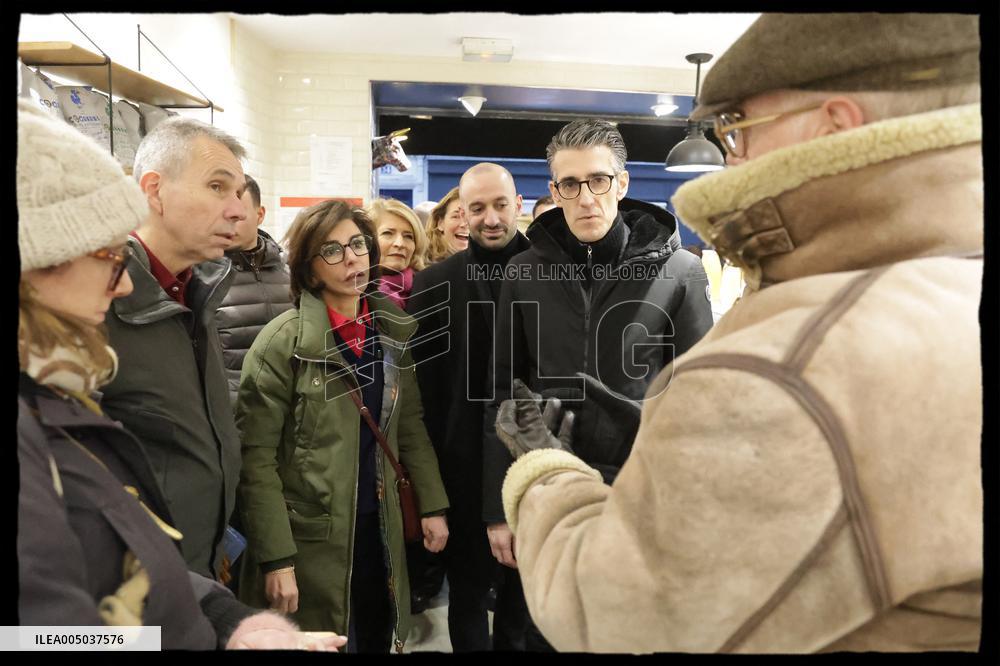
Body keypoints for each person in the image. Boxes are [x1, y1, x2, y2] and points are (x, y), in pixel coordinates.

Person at [495, 12, 982, 652]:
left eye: (738, 127)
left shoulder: (767, 357)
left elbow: (619, 613)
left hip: (618, 504)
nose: (733, 155)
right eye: (569, 184)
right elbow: (501, 381)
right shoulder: (945, 284)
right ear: (554, 190)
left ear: (837, 126)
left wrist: (542, 470)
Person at [16, 99, 345, 652]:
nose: (121, 283)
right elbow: (46, 634)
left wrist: (227, 622)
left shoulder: (195, 293)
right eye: (106, 255)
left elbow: (118, 539)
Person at [481, 118, 714, 650]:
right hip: (546, 479)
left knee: (633, 630)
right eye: (570, 184)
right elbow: (499, 392)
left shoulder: (680, 272)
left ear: (623, 183)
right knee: (550, 627)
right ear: (554, 191)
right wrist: (499, 507)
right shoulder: (524, 273)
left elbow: (699, 398)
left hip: (642, 487)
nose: (586, 197)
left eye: (599, 180)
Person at [234, 200, 450, 653]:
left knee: (379, 635)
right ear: (310, 271)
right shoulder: (282, 344)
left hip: (382, 530)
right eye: (331, 251)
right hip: (310, 540)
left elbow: (409, 427)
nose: (351, 257)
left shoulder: (392, 334)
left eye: (357, 244)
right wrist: (276, 558)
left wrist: (431, 505)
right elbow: (257, 461)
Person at [100, 116, 247, 581]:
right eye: (218, 187)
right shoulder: (98, 299)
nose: (239, 211)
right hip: (129, 582)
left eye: (239, 193)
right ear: (154, 191)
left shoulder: (195, 290)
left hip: (195, 565)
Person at [407, 163, 533, 651]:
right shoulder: (434, 284)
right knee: (465, 598)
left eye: (500, 205)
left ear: (518, 205)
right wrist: (431, 493)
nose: (490, 218)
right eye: (476, 208)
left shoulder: (556, 276)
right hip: (460, 470)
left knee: (525, 600)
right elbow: (424, 396)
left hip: (534, 464)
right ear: (460, 213)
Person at [216, 174, 294, 405]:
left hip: (286, 406)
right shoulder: (203, 275)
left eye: (239, 213)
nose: (230, 219)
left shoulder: (289, 271)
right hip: (232, 408)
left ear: (260, 215)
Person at [368, 197, 429, 309]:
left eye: (408, 236)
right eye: (388, 233)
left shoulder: (429, 289)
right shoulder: (351, 293)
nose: (400, 243)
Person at [424, 186, 469, 264]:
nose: (464, 224)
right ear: (440, 223)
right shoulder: (422, 267)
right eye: (456, 217)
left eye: (470, 217)